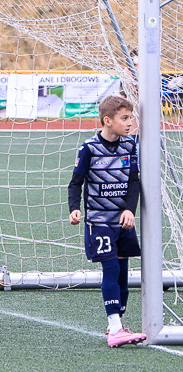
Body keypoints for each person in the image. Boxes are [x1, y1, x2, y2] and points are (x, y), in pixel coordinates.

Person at [69, 95, 146, 348]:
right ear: (107, 120)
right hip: (99, 221)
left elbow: (133, 182)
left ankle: (118, 323)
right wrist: (74, 209)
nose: (130, 122)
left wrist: (129, 210)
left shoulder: (130, 146)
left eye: (131, 117)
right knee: (111, 269)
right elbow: (76, 182)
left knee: (123, 273)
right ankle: (114, 326)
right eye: (124, 118)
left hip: (122, 221)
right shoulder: (89, 148)